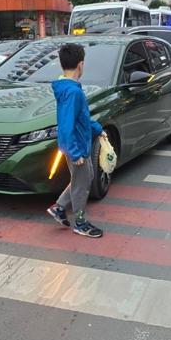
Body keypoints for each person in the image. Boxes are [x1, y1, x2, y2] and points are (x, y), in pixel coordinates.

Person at [46, 43, 106, 238]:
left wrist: (98, 130)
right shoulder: (73, 92)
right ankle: (80, 222)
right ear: (81, 65)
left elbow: (81, 119)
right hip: (77, 148)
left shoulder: (69, 89)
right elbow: (66, 125)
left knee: (85, 178)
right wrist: (74, 151)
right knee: (81, 184)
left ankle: (60, 208)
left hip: (80, 145)